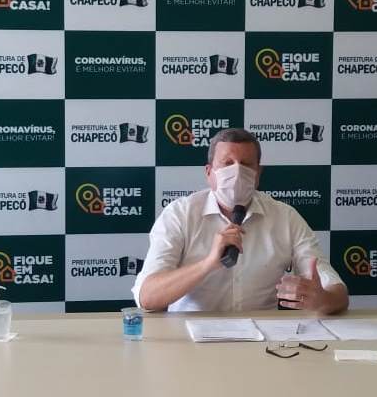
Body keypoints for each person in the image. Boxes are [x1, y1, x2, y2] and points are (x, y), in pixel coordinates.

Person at [133, 128, 348, 314]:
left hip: (262, 339)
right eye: (227, 163)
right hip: (189, 338)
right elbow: (147, 298)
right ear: (209, 172)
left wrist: (324, 300)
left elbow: (337, 293)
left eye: (246, 164)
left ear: (258, 173)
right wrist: (208, 264)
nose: (236, 171)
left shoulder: (285, 217)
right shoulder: (180, 214)